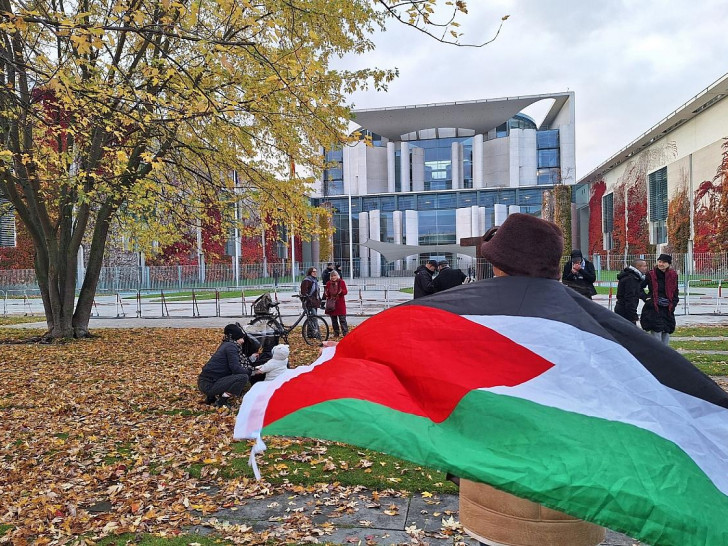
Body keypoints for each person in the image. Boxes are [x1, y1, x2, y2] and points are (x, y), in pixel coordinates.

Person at [456, 213, 606, 546]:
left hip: (498, 500)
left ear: (501, 266)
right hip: (575, 500)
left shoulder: (483, 324)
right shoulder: (589, 325)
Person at [198, 323, 257, 407]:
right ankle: (221, 401)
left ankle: (211, 397)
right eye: (241, 338)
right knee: (243, 377)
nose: (243, 341)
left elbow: (234, 363)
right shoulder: (231, 347)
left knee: (232, 374)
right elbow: (236, 368)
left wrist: (251, 358)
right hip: (209, 385)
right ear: (235, 337)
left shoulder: (226, 344)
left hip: (204, 382)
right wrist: (252, 372)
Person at [640, 254, 679, 345]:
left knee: (666, 331)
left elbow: (675, 291)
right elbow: (639, 287)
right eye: (660, 261)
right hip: (654, 308)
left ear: (668, 264)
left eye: (664, 262)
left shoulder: (673, 275)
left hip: (667, 308)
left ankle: (665, 355)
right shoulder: (650, 274)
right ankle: (656, 355)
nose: (661, 264)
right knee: (656, 332)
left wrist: (673, 303)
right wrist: (647, 299)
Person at [614, 259, 648, 324]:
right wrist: (633, 315)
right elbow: (630, 298)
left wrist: (645, 297)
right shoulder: (631, 279)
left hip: (622, 309)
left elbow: (638, 290)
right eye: (644, 266)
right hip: (625, 311)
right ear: (638, 267)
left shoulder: (633, 277)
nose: (646, 268)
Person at [323, 270, 349, 337]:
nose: (333, 277)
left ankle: (345, 333)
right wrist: (326, 293)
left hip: (340, 303)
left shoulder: (341, 282)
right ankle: (336, 333)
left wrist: (341, 291)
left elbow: (345, 291)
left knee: (342, 319)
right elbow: (326, 293)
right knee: (334, 320)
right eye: (332, 276)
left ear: (337, 276)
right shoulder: (328, 283)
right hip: (332, 304)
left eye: (334, 275)